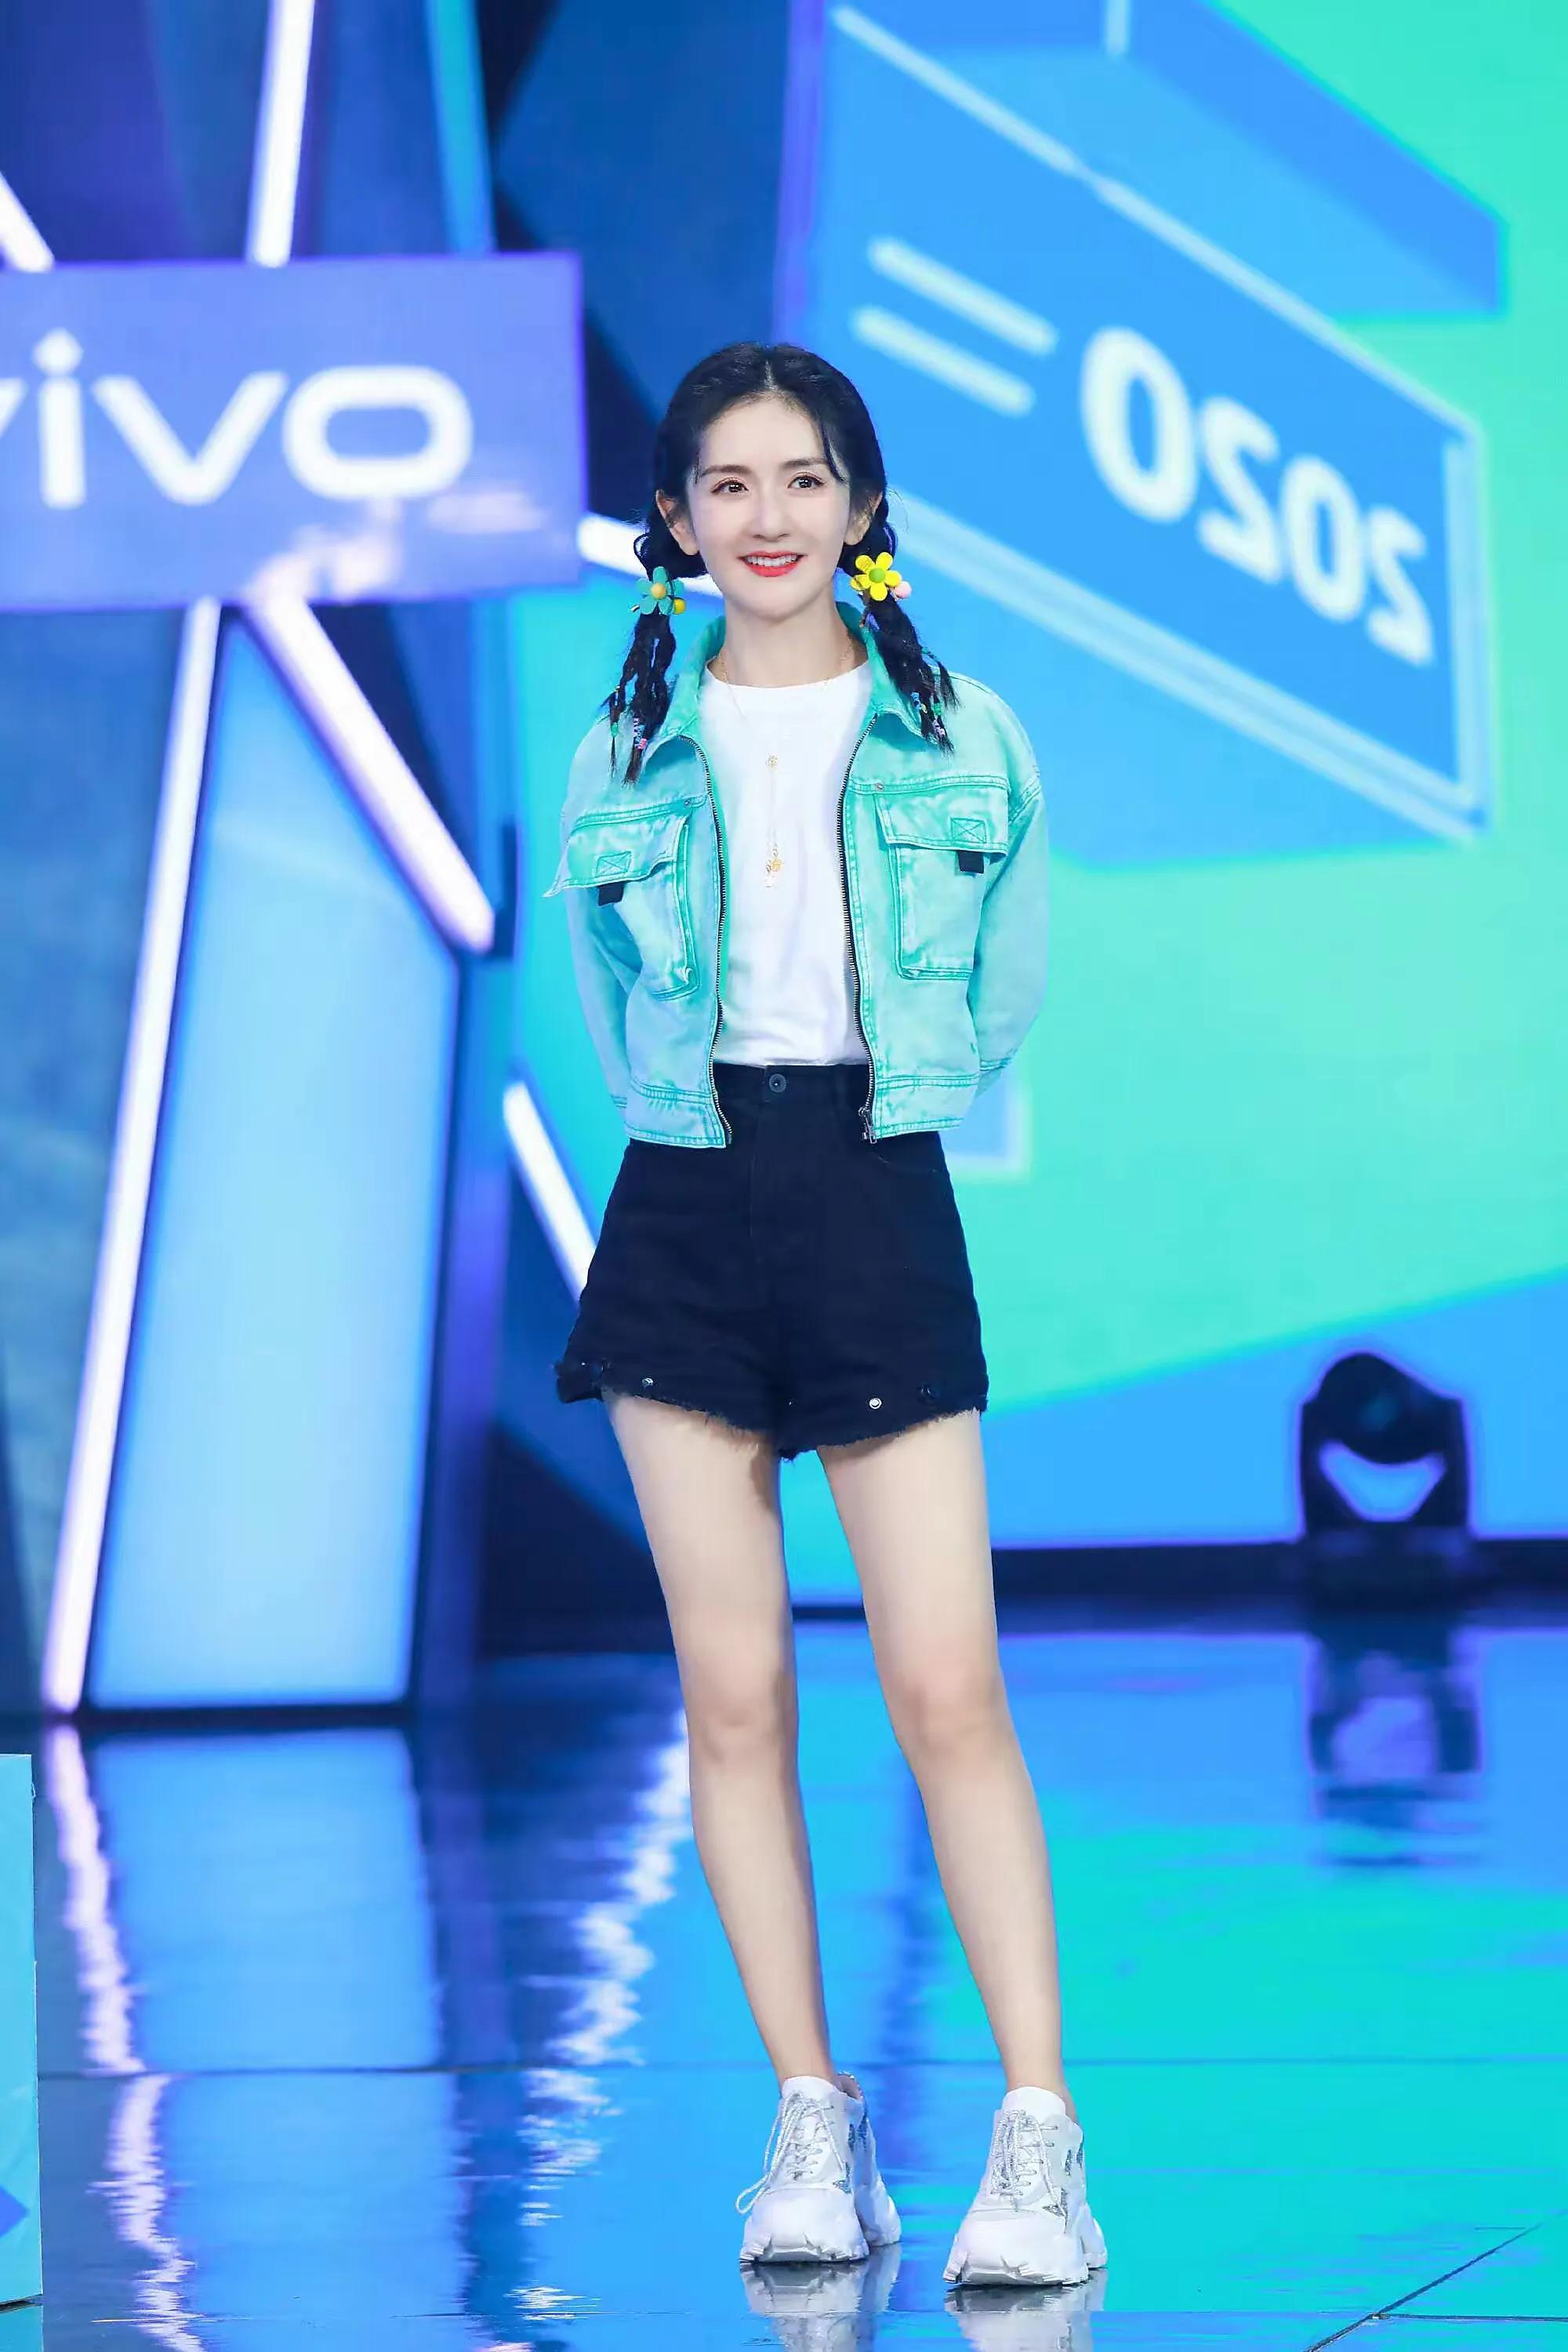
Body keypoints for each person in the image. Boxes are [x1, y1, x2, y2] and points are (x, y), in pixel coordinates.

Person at [544, 342, 1106, 2290]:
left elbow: (1004, 978)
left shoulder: (959, 730)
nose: (766, 517)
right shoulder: (627, 744)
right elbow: (611, 989)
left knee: (947, 1686)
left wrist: (883, 1101)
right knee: (733, 1696)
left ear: (862, 508)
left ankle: (1035, 2139)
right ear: (674, 521)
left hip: (873, 1190)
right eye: (728, 484)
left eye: (802, 479)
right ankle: (811, 2117)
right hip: (683, 1204)